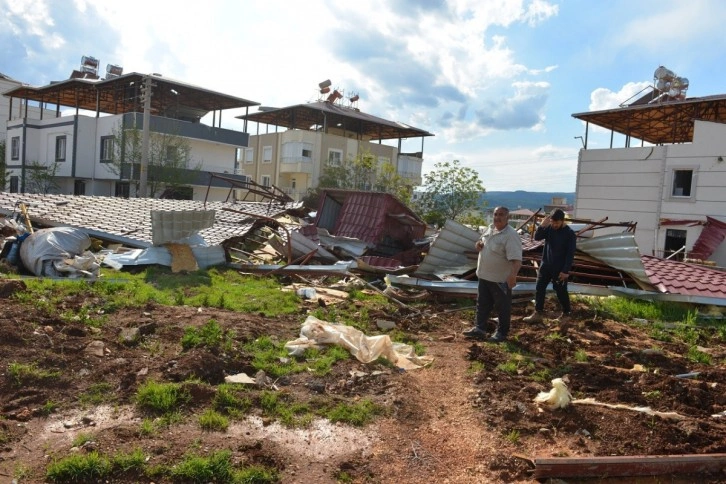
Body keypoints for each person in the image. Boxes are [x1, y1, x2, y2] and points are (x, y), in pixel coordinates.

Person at [463, 206, 522, 343]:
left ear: (508, 218)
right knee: (482, 304)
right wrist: (478, 245)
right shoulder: (489, 228)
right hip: (484, 276)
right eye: (495, 214)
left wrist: (513, 275)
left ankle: (502, 333)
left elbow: (517, 260)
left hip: (500, 280)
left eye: (501, 215)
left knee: (502, 307)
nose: (497, 217)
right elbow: (481, 243)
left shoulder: (511, 235)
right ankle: (480, 329)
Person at [523, 208, 577, 323]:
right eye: (552, 222)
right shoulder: (549, 229)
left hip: (560, 268)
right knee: (539, 288)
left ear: (562, 221)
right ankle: (538, 313)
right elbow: (537, 237)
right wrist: (542, 226)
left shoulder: (569, 234)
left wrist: (565, 271)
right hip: (546, 265)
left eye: (556, 223)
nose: (554, 225)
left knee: (560, 291)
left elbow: (570, 254)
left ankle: (566, 313)